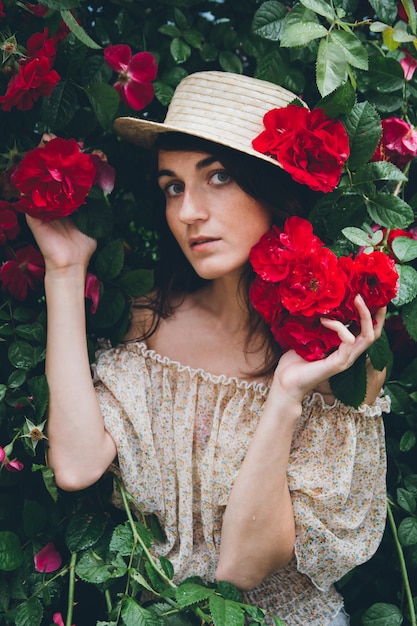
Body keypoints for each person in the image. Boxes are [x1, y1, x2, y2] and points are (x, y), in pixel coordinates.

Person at [27, 71, 390, 626]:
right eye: (173, 185)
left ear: (273, 188)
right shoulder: (148, 321)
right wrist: (64, 268)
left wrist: (288, 395)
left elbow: (245, 567)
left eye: (217, 177)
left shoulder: (339, 358)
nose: (188, 211)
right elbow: (76, 465)